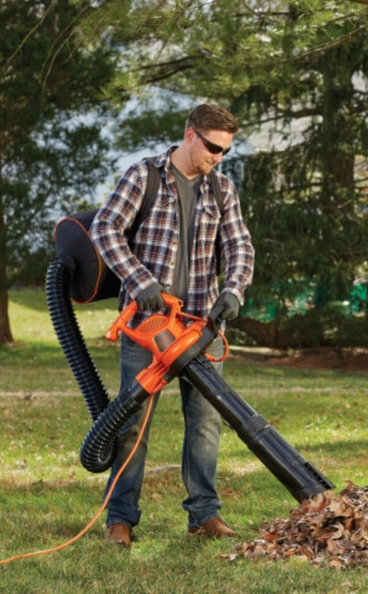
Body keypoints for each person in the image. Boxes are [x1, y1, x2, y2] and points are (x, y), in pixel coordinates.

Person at [90, 104, 255, 547]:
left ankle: (204, 515)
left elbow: (240, 245)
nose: (218, 157)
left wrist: (233, 292)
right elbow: (106, 228)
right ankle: (120, 520)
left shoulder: (221, 188)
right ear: (190, 135)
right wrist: (139, 280)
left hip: (200, 326)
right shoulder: (144, 176)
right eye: (213, 148)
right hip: (149, 327)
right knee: (132, 423)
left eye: (225, 151)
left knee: (204, 422)